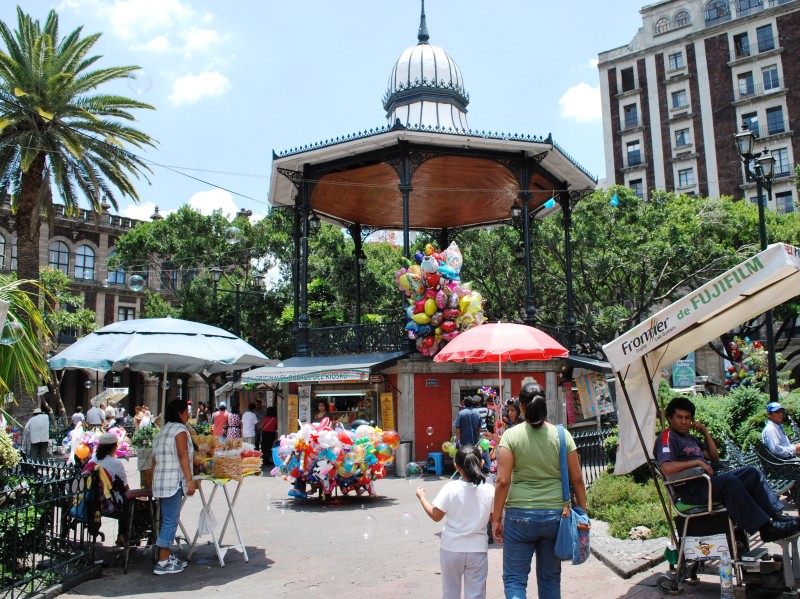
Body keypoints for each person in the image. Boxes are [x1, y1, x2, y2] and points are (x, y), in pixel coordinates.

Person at [655, 396, 799, 543]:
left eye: (687, 418)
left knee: (751, 473)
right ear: (669, 418)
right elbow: (666, 467)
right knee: (730, 482)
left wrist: (705, 432)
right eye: (679, 417)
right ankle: (766, 528)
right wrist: (696, 462)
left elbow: (714, 457)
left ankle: (777, 516)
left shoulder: (689, 438)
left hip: (708, 483)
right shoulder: (667, 438)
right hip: (691, 488)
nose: (684, 422)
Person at [492, 382, 587, 599]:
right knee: (550, 579)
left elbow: (502, 480)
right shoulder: (562, 436)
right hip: (556, 516)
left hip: (519, 516)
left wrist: (496, 518)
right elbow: (578, 479)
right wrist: (583, 511)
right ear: (545, 404)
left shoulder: (511, 436)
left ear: (522, 407)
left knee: (515, 580)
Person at [416, 445, 494, 599]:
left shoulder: (450, 488)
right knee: (476, 594)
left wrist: (422, 497)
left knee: (450, 593)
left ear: (456, 467)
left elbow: (436, 515)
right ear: (482, 464)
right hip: (477, 550)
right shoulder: (489, 489)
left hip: (451, 549)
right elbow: (494, 517)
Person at [151, 399, 196, 575]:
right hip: (172, 481)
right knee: (170, 520)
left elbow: (154, 459)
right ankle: (163, 561)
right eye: (186, 413)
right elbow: (182, 454)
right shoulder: (179, 430)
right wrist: (189, 480)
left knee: (167, 518)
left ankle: (167, 556)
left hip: (161, 481)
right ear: (180, 413)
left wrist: (153, 480)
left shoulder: (162, 431)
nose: (188, 416)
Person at [93, 433, 130, 546]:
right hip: (109, 504)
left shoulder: (92, 461)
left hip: (94, 501)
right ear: (114, 447)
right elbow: (125, 488)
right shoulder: (116, 464)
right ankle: (122, 534)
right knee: (129, 502)